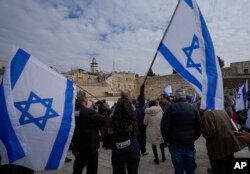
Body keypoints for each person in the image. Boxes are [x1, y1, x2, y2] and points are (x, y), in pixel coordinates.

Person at [161, 88, 201, 174]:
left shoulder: (170, 109)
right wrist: (192, 138)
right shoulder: (192, 109)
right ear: (185, 97)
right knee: (190, 168)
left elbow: (164, 128)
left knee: (179, 169)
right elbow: (199, 127)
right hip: (188, 143)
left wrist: (167, 140)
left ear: (175, 97)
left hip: (176, 144)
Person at [103, 92, 140, 174]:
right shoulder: (132, 120)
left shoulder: (111, 123)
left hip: (118, 152)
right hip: (132, 151)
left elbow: (108, 138)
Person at [72, 91, 107, 174]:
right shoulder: (89, 112)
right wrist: (104, 110)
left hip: (77, 146)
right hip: (90, 147)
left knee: (77, 167)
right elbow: (103, 120)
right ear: (84, 99)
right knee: (92, 169)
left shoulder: (71, 112)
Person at [202, 109, 246, 174]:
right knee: (228, 165)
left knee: (220, 167)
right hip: (229, 142)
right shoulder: (221, 110)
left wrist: (203, 133)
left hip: (218, 146)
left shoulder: (207, 114)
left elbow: (209, 132)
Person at [144, 100, 165, 165]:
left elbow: (145, 122)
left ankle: (156, 159)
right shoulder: (160, 110)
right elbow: (163, 119)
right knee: (161, 143)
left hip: (151, 131)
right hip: (160, 129)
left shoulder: (147, 112)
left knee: (154, 145)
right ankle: (163, 157)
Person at [134, 84, 148, 155]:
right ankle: (142, 151)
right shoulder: (140, 105)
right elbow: (142, 97)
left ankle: (141, 150)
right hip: (141, 125)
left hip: (139, 125)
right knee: (142, 139)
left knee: (139, 139)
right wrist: (141, 89)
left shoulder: (136, 106)